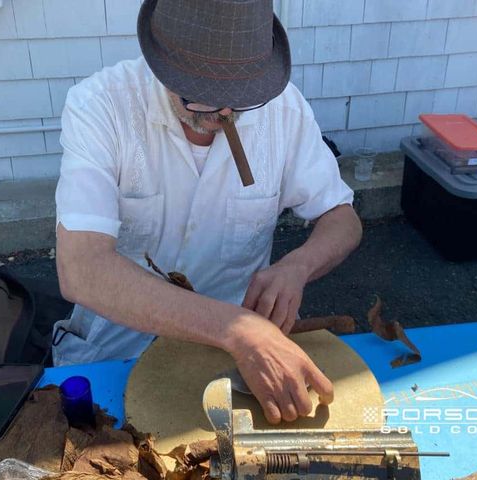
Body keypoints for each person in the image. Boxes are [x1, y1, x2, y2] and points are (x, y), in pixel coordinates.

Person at [53, 0, 362, 425]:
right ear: (161, 62)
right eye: (202, 96)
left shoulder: (281, 109)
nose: (224, 112)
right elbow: (81, 268)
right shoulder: (101, 106)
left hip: (232, 362)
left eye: (240, 96)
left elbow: (342, 219)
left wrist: (298, 266)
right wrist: (237, 328)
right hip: (117, 348)